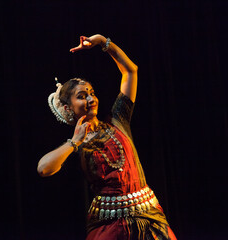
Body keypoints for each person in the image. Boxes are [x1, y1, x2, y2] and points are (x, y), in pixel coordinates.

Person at [37, 34, 177, 240]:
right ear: (68, 108)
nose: (91, 99)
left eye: (91, 93)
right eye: (82, 96)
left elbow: (131, 71)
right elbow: (43, 168)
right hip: (110, 226)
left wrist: (103, 42)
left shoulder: (118, 120)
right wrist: (74, 142)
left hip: (149, 218)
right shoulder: (77, 144)